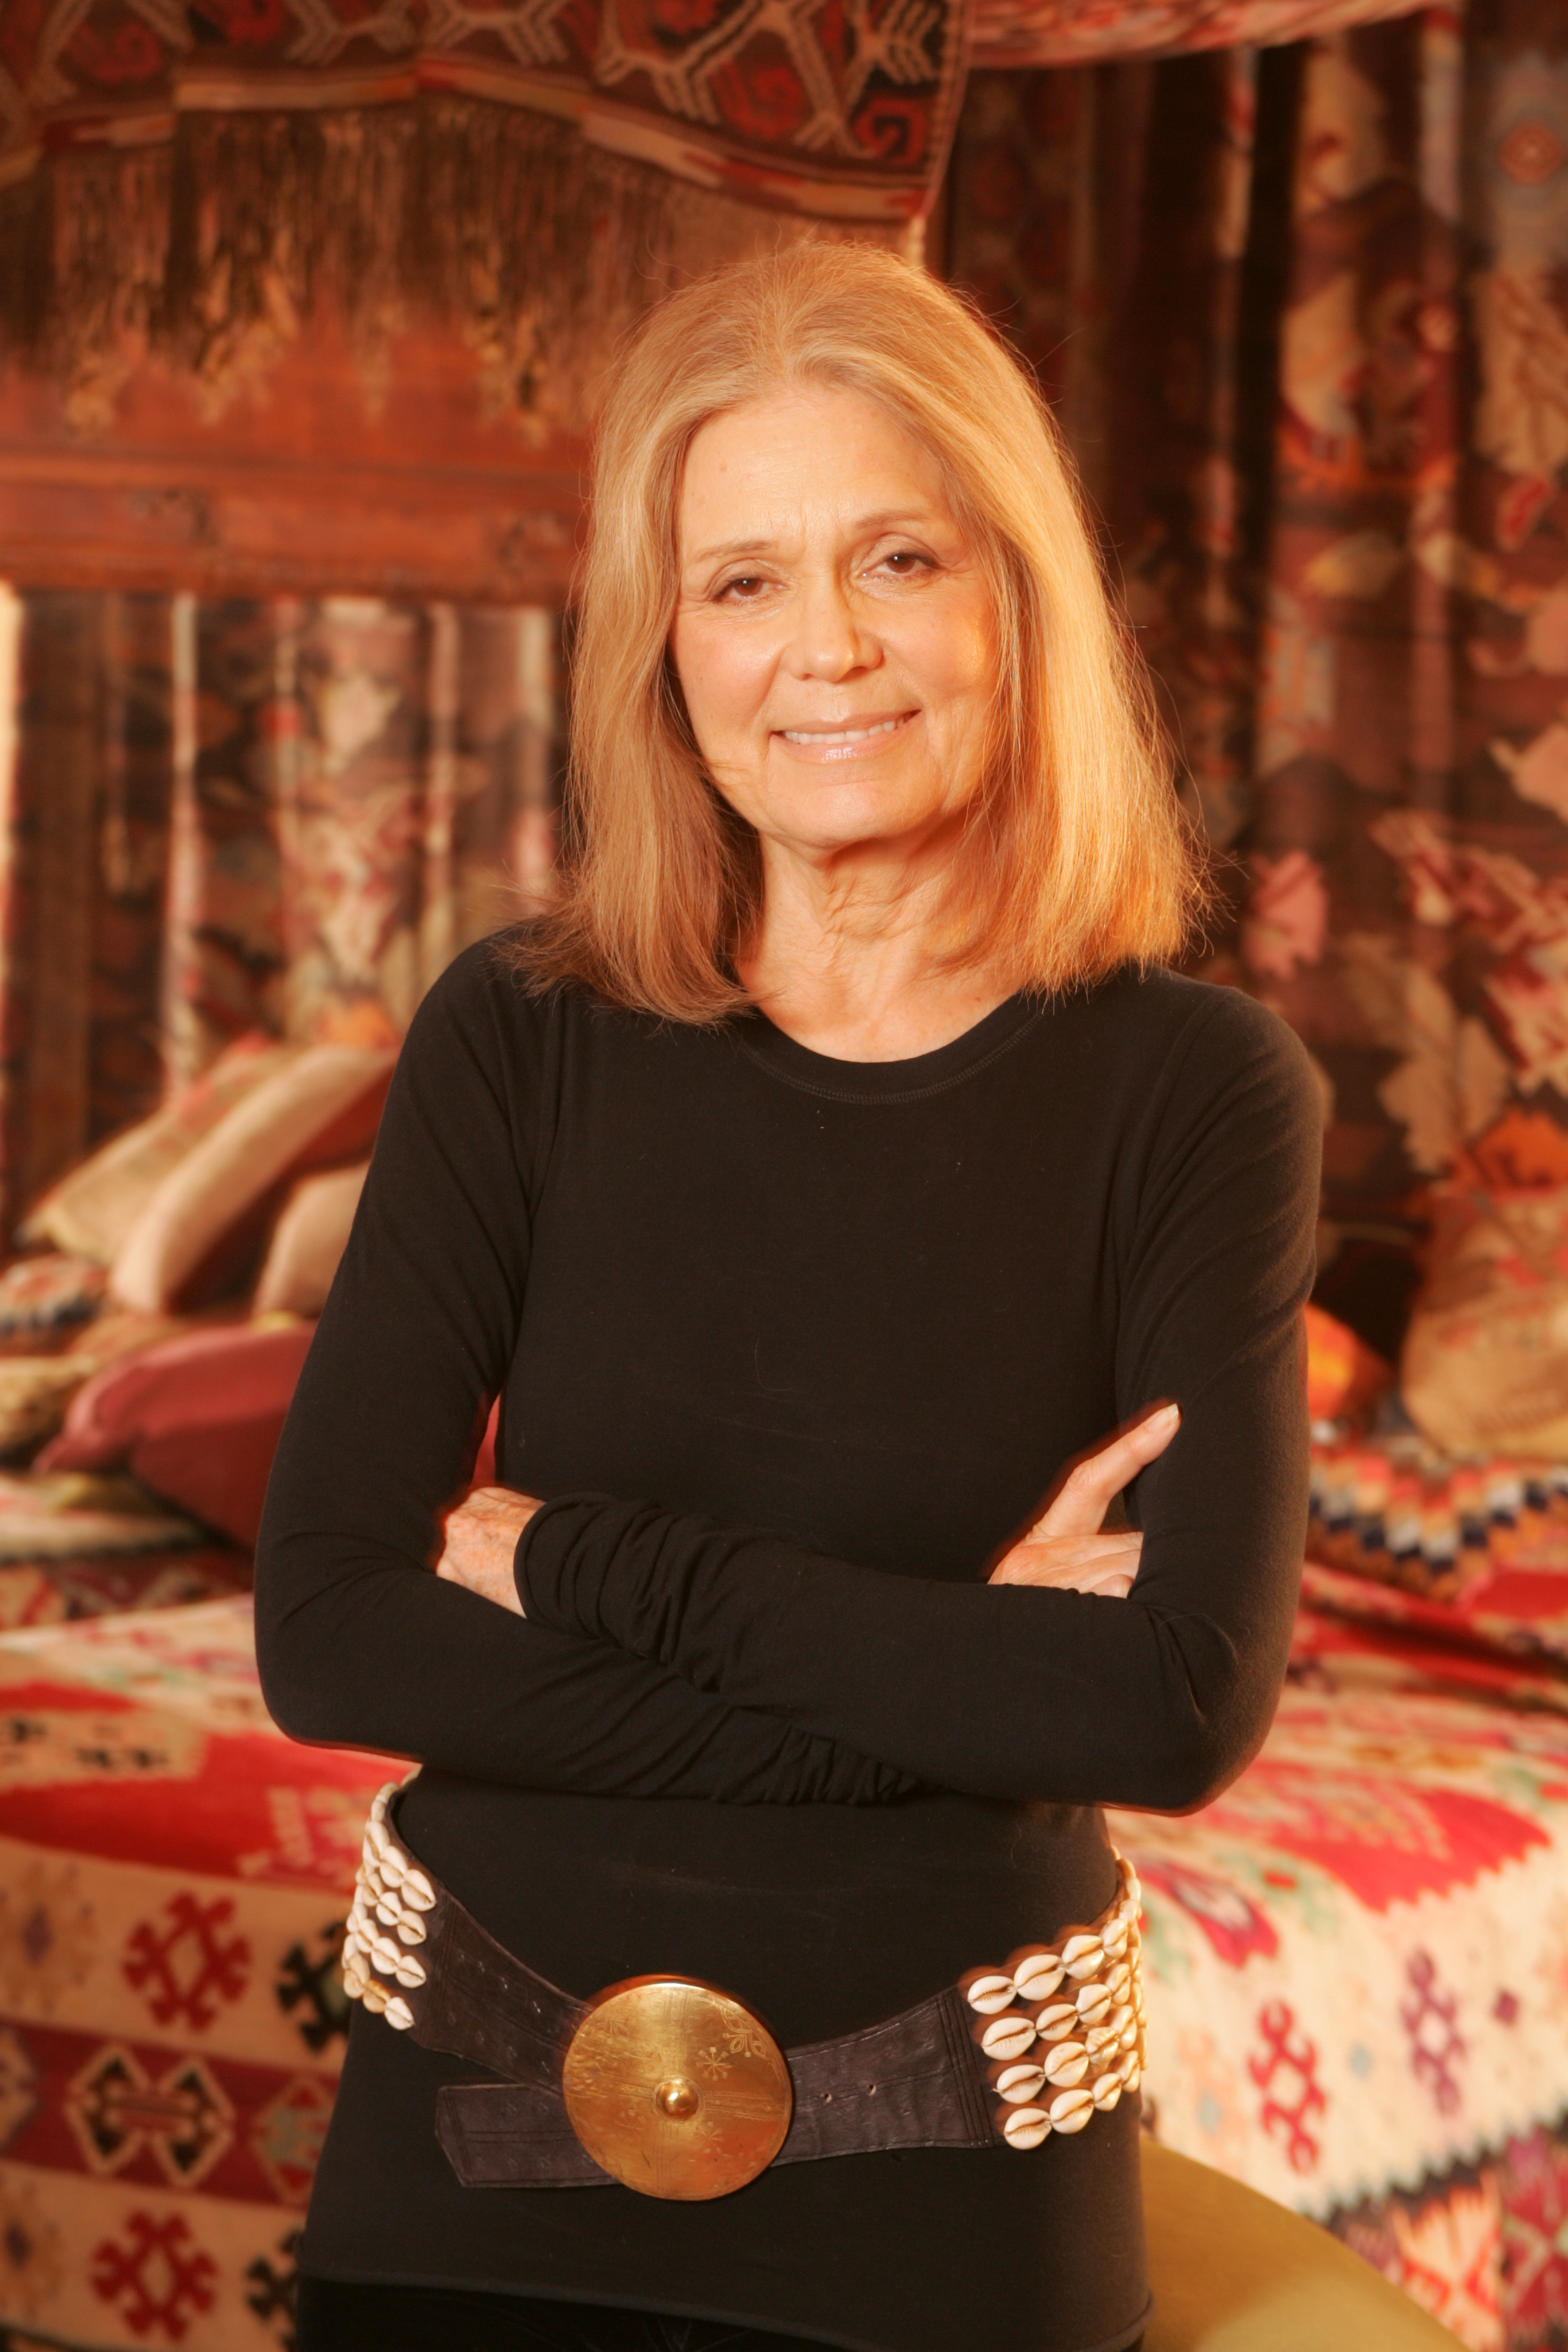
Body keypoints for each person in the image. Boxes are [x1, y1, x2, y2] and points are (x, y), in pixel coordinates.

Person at [255, 242, 1320, 2352]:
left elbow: (1168, 1706)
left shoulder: (1195, 1089)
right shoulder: (520, 1033)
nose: (821, 650)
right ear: (664, 650)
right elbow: (328, 1629)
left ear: (1016, 600)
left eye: (897, 557)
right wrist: (950, 1689)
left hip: (952, 2201)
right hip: (466, 2154)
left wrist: (588, 1561)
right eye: (740, 583)